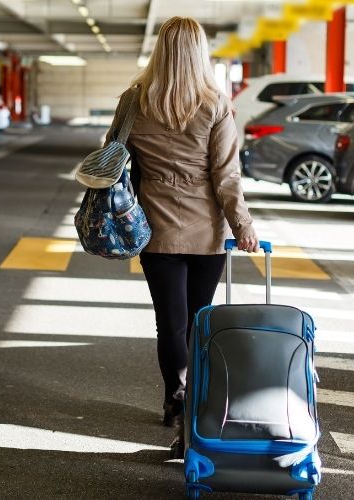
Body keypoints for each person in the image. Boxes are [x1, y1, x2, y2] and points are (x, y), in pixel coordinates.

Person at [102, 17, 259, 443]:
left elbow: (110, 160)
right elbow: (227, 177)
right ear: (199, 52)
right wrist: (242, 226)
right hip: (205, 232)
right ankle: (196, 404)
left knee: (169, 324)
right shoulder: (215, 104)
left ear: (161, 50)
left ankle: (176, 397)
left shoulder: (134, 101)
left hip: (154, 229)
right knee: (196, 322)